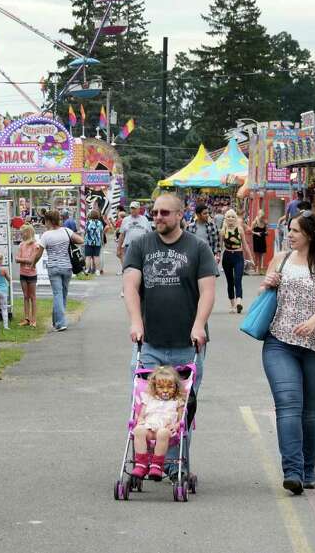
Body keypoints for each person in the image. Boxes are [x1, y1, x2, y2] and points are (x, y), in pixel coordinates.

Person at [123, 191, 216, 477]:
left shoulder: (198, 248)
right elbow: (130, 286)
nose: (158, 217)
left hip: (186, 344)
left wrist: (199, 324)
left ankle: (173, 465)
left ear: (179, 215)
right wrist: (136, 322)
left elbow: (207, 291)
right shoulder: (140, 245)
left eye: (164, 213)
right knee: (147, 403)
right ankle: (145, 459)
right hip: (150, 342)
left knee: (180, 407)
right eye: (155, 212)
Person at [260, 209, 315, 495]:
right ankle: (292, 471)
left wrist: (313, 321)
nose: (290, 234)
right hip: (279, 341)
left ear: (311, 234)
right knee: (288, 404)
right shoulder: (281, 258)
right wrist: (267, 283)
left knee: (310, 413)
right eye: (290, 230)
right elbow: (266, 292)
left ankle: (308, 467)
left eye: (295, 230)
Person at [129, 365, 186, 481]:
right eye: (161, 387)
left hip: (166, 432)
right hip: (149, 429)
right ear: (154, 387)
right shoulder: (149, 398)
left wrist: (175, 426)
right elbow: (141, 415)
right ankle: (141, 464)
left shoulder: (177, 401)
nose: (165, 390)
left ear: (176, 387)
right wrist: (140, 421)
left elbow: (181, 420)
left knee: (163, 433)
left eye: (170, 387)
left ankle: (156, 465)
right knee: (138, 430)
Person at [39, 210, 82, 331]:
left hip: (53, 267)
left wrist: (32, 263)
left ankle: (61, 323)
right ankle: (56, 321)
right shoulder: (66, 231)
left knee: (58, 294)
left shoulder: (46, 235)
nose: (45, 223)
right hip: (67, 267)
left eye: (45, 221)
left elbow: (39, 253)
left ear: (49, 221)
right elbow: (80, 240)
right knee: (62, 295)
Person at [15, 224, 43, 328]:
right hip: (23, 273)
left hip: (31, 274)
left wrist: (21, 260)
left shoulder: (35, 245)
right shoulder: (21, 245)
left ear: (28, 233)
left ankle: (33, 320)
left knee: (32, 297)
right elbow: (17, 259)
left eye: (22, 232)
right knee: (25, 296)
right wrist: (24, 260)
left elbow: (31, 260)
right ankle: (26, 318)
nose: (21, 234)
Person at [220, 209, 246, 313]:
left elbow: (245, 244)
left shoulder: (239, 230)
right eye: (228, 217)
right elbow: (220, 246)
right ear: (226, 218)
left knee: (238, 279)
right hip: (227, 257)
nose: (230, 218)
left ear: (235, 218)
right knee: (230, 281)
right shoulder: (223, 231)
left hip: (238, 256)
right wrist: (216, 256)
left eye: (232, 217)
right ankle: (232, 305)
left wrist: (251, 259)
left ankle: (239, 302)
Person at [116, 201, 151, 276]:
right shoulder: (126, 220)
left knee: (141, 264)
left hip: (142, 246)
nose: (133, 210)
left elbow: (149, 234)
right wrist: (118, 248)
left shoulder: (144, 219)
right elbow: (122, 235)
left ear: (139, 209)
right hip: (129, 246)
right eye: (131, 208)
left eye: (134, 208)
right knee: (128, 264)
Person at [186, 203, 221, 275]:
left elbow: (216, 243)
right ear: (198, 215)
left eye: (208, 213)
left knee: (209, 280)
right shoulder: (190, 227)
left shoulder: (212, 226)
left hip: (209, 257)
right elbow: (186, 244)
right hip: (194, 258)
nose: (207, 215)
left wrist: (218, 255)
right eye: (205, 213)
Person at [84, 209, 106, 275]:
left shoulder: (87, 222)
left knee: (88, 257)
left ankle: (87, 269)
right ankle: (97, 271)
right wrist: (102, 241)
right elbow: (102, 233)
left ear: (90, 215)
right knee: (96, 256)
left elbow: (85, 232)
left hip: (88, 241)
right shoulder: (100, 223)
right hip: (97, 241)